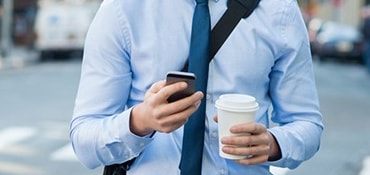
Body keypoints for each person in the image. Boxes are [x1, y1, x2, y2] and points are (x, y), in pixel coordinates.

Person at [69, 0, 324, 174]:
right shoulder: (122, 9)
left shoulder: (279, 11)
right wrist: (140, 121)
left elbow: (307, 123)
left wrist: (273, 143)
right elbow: (85, 139)